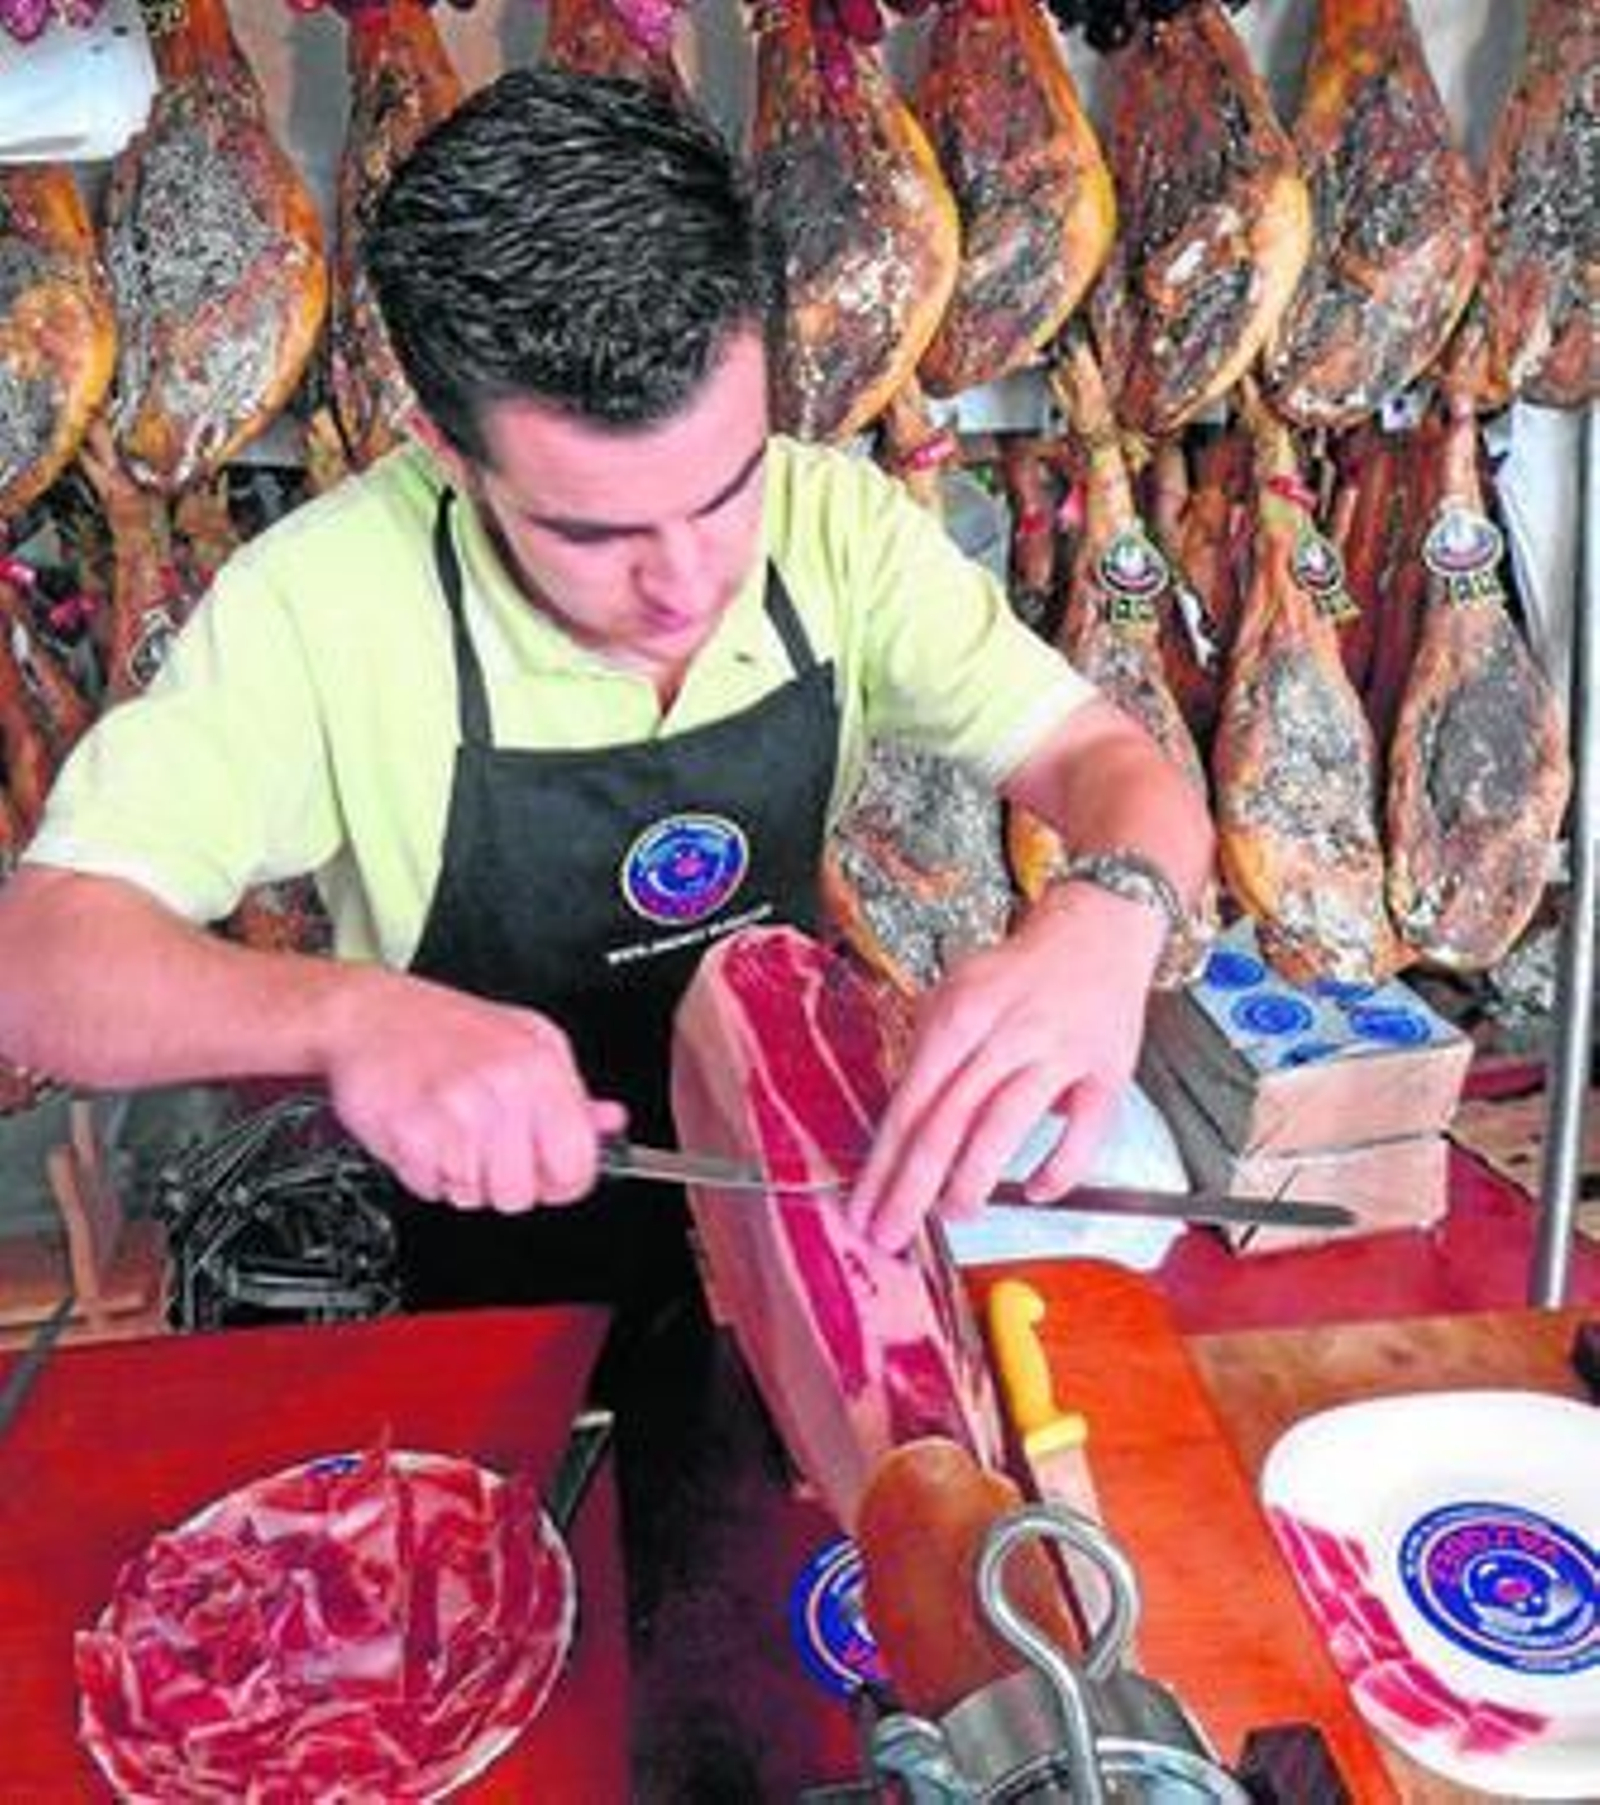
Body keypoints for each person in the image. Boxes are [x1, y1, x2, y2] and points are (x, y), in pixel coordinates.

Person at [0, 70, 1211, 1332]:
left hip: (796, 1217)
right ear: (445, 449)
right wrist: (350, 1018)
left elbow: (1110, 764)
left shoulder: (837, 528)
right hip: (497, 1272)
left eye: (726, 489)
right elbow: (40, 960)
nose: (686, 581)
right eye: (594, 533)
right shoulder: (322, 604)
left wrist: (1104, 919)